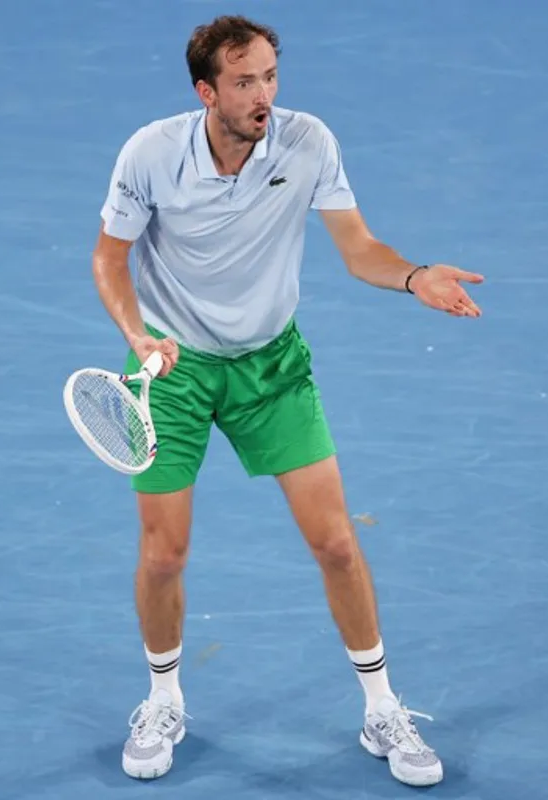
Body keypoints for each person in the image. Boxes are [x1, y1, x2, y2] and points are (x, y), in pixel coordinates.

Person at [91, 14, 482, 788]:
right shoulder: (151, 154)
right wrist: (138, 338)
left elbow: (359, 247)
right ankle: (163, 698)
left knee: (336, 542)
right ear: (207, 91)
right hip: (174, 369)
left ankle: (382, 708)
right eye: (244, 81)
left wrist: (413, 276)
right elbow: (110, 257)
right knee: (164, 554)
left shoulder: (308, 144)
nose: (263, 93)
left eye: (270, 75)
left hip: (272, 368)